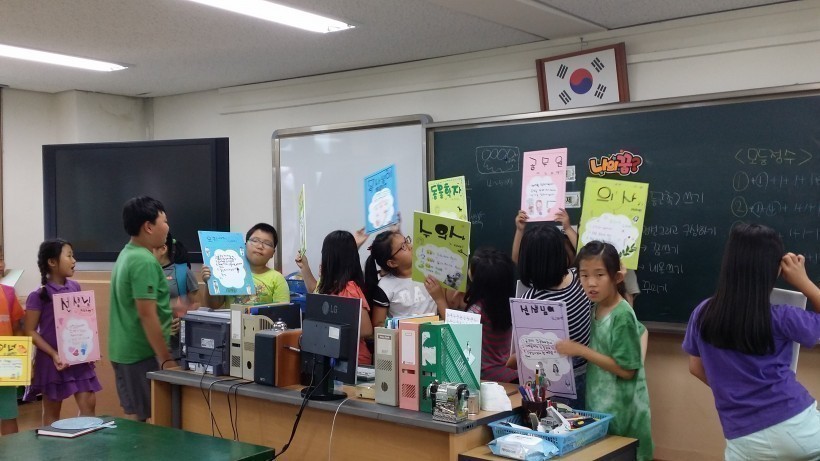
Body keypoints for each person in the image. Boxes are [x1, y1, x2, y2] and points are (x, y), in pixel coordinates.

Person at [682, 223, 820, 461]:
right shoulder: (782, 317)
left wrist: (735, 392)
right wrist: (803, 281)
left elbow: (695, 367)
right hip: (796, 428)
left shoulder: (702, 313)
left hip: (742, 438)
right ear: (775, 270)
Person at [556, 241, 653, 461]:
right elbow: (642, 331)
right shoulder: (598, 306)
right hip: (602, 404)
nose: (591, 283)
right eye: (584, 275)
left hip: (624, 411)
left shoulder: (621, 315)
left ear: (615, 277)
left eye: (599, 275)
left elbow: (627, 370)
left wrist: (581, 350)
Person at [511, 210, 591, 409]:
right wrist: (568, 228)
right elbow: (585, 255)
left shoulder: (530, 302)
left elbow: (525, 352)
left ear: (527, 261)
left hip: (554, 381)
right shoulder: (580, 279)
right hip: (587, 371)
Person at [23, 239, 102, 425]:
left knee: (89, 403)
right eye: (69, 256)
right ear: (52, 262)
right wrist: (54, 354)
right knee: (52, 412)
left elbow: (83, 322)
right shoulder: (38, 295)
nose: (74, 260)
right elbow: (30, 331)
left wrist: (90, 348)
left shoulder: (75, 287)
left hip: (78, 359)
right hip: (52, 361)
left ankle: (85, 439)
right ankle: (51, 444)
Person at [109, 196, 172, 422]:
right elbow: (146, 314)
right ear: (148, 226)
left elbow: (134, 304)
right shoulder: (143, 261)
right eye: (164, 221)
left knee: (138, 417)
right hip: (140, 354)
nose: (167, 227)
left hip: (124, 351)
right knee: (147, 422)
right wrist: (164, 358)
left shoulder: (127, 253)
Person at [299, 231, 374, 365]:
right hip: (331, 356)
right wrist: (304, 267)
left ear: (330, 258)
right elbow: (314, 290)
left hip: (352, 361)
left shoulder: (349, 288)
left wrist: (328, 333)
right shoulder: (328, 283)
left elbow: (366, 330)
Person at [363, 229, 461, 328]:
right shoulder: (385, 287)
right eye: (403, 246)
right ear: (392, 263)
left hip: (432, 333)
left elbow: (450, 309)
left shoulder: (431, 273)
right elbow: (378, 324)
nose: (411, 246)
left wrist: (439, 297)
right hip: (403, 336)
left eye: (407, 241)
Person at [202, 223, 289, 308]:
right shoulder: (228, 271)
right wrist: (209, 282)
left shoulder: (277, 278)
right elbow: (214, 305)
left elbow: (282, 311)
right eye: (255, 241)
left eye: (267, 244)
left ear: (273, 253)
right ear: (244, 245)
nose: (260, 246)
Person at [464, 248, 517, 383]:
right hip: (512, 374)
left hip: (487, 379)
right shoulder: (511, 305)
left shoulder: (477, 312)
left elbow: (457, 336)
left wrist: (439, 299)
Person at [153, 233, 199, 358]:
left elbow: (197, 304)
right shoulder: (145, 271)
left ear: (163, 249)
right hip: (150, 345)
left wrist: (184, 319)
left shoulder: (182, 272)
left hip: (177, 346)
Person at [0, 252, 23, 435]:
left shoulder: (8, 293)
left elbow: (17, 327)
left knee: (8, 414)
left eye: (1, 259)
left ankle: (12, 450)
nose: (1, 264)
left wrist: (19, 360)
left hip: (5, 364)